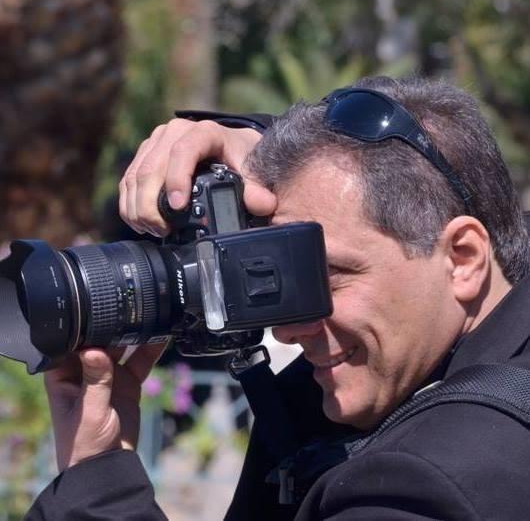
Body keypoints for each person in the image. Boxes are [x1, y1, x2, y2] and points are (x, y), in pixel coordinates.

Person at [25, 75, 530, 520]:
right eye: (283, 268)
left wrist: (96, 482)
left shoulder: (427, 487)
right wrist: (254, 142)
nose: (287, 329)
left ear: (463, 258)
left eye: (326, 276)